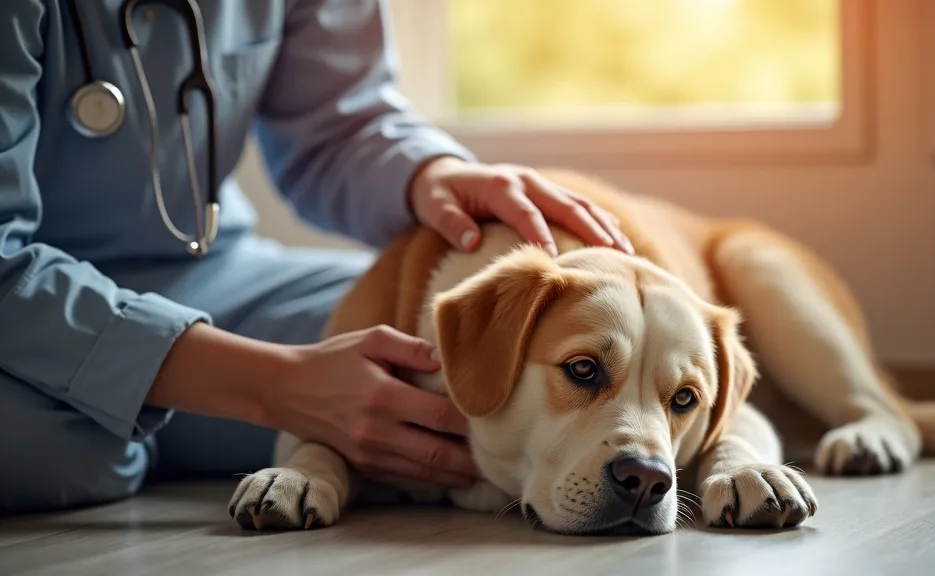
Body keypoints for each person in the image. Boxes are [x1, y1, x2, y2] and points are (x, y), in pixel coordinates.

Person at [0, 0, 633, 515]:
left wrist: (428, 175)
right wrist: (274, 385)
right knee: (53, 451)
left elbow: (340, 120)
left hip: (208, 272)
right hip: (23, 290)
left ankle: (145, 419)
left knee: (422, 352)